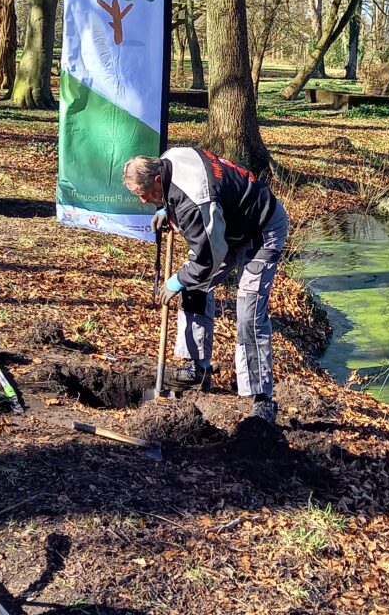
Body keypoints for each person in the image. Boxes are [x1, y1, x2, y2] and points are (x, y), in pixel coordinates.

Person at [122, 147, 289, 423]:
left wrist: (176, 281)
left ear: (155, 180)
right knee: (195, 288)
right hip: (228, 225)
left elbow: (208, 258)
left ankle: (262, 400)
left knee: (249, 313)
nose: (142, 201)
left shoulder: (194, 202)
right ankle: (197, 368)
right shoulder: (169, 159)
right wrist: (166, 206)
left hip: (262, 227)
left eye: (143, 194)